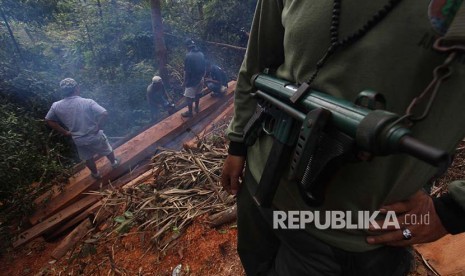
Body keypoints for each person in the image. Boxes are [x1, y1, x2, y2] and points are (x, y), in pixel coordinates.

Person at [221, 1, 465, 275]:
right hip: (258, 188)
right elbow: (257, 60)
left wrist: (452, 211)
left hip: (348, 235)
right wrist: (239, 142)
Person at [45, 78, 120, 179]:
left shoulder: (56, 106)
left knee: (88, 157)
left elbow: (48, 120)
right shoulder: (87, 102)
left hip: (78, 139)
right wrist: (98, 126)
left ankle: (96, 174)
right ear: (76, 88)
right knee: (106, 149)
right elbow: (104, 113)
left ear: (62, 91)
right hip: (94, 135)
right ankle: (114, 163)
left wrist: (65, 132)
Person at [181, 39, 206, 118]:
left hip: (192, 82)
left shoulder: (188, 56)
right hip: (200, 79)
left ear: (187, 47)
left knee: (188, 98)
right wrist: (202, 77)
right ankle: (197, 108)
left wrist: (184, 82)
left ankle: (190, 112)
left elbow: (186, 72)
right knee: (197, 94)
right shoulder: (201, 54)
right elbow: (204, 68)